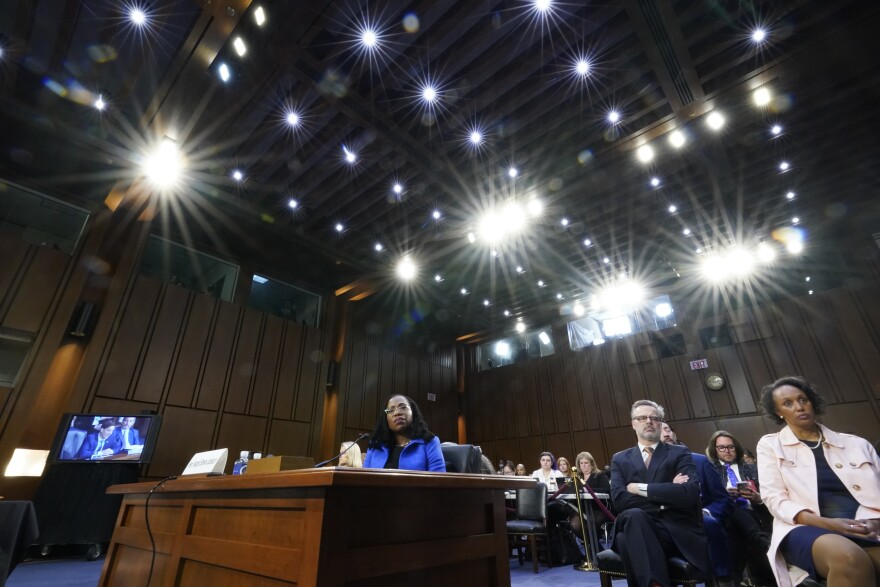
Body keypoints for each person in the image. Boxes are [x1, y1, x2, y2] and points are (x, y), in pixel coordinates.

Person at [757, 376, 880, 587]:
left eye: (803, 399)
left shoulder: (857, 444)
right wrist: (828, 524)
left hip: (866, 525)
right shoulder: (771, 445)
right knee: (849, 559)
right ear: (778, 412)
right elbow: (774, 499)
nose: (799, 407)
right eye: (788, 403)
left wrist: (875, 521)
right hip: (804, 527)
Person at [610, 400, 709, 587]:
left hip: (674, 530)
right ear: (633, 423)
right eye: (642, 418)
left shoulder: (679, 453)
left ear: (660, 423)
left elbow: (689, 494)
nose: (649, 421)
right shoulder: (620, 459)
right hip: (640, 523)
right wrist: (668, 492)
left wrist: (639, 488)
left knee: (626, 537)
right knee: (634, 516)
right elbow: (620, 502)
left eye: (654, 418)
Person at [661, 423, 735, 587]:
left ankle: (723, 579)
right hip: (667, 522)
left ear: (674, 435)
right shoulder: (649, 467)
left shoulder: (700, 461)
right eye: (660, 430)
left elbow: (723, 500)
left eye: (667, 429)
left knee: (710, 523)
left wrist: (706, 512)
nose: (665, 433)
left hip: (700, 521)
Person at [705, 430, 774, 585]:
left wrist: (758, 498)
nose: (727, 451)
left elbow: (771, 494)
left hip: (755, 515)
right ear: (714, 450)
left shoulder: (753, 469)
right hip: (727, 520)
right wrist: (724, 496)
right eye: (721, 448)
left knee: (757, 563)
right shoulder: (710, 470)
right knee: (731, 505)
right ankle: (760, 540)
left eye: (731, 447)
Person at [363, 395, 446, 471]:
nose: (397, 413)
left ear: (413, 412)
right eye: (391, 410)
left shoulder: (430, 442)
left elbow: (439, 481)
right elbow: (363, 479)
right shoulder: (376, 445)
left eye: (403, 407)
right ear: (385, 419)